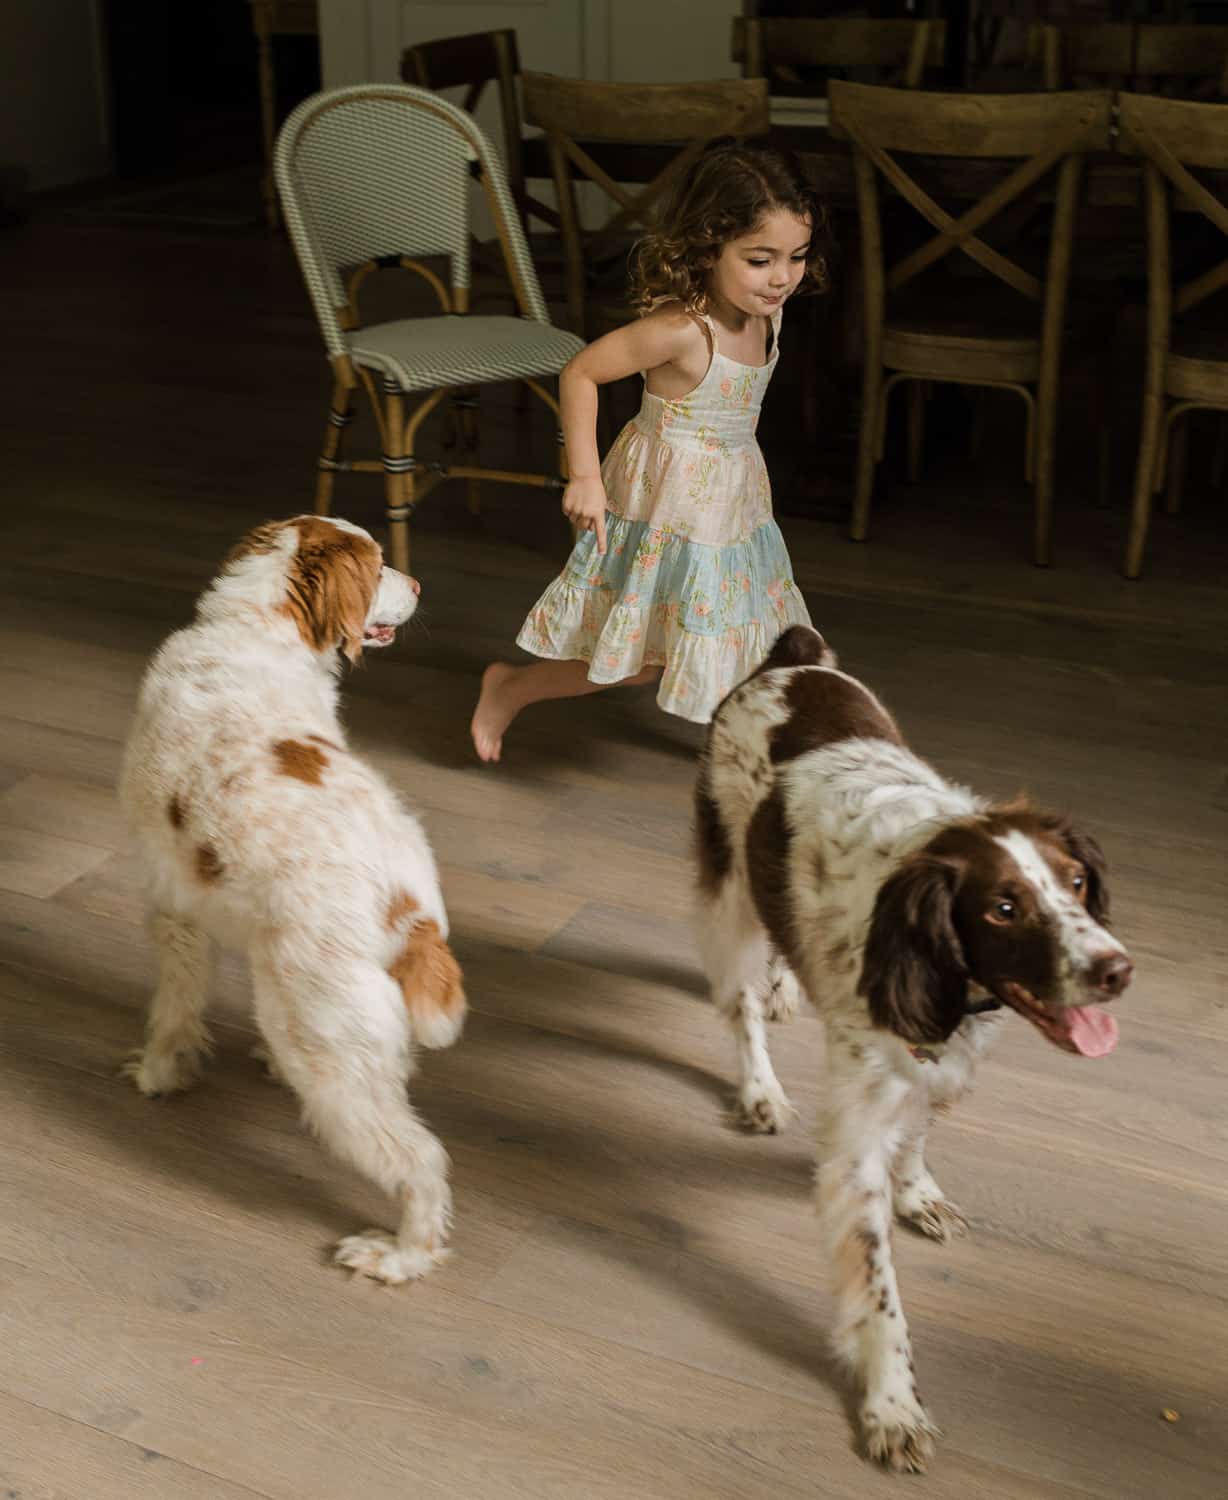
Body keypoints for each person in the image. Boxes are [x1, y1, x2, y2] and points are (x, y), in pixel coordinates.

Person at [470, 138, 829, 763]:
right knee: (638, 657)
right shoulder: (680, 330)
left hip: (728, 506)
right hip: (661, 504)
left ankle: (751, 739)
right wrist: (583, 475)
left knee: (743, 629)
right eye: (760, 259)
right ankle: (511, 688)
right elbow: (580, 372)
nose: (782, 277)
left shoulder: (766, 312)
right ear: (709, 245)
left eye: (796, 257)